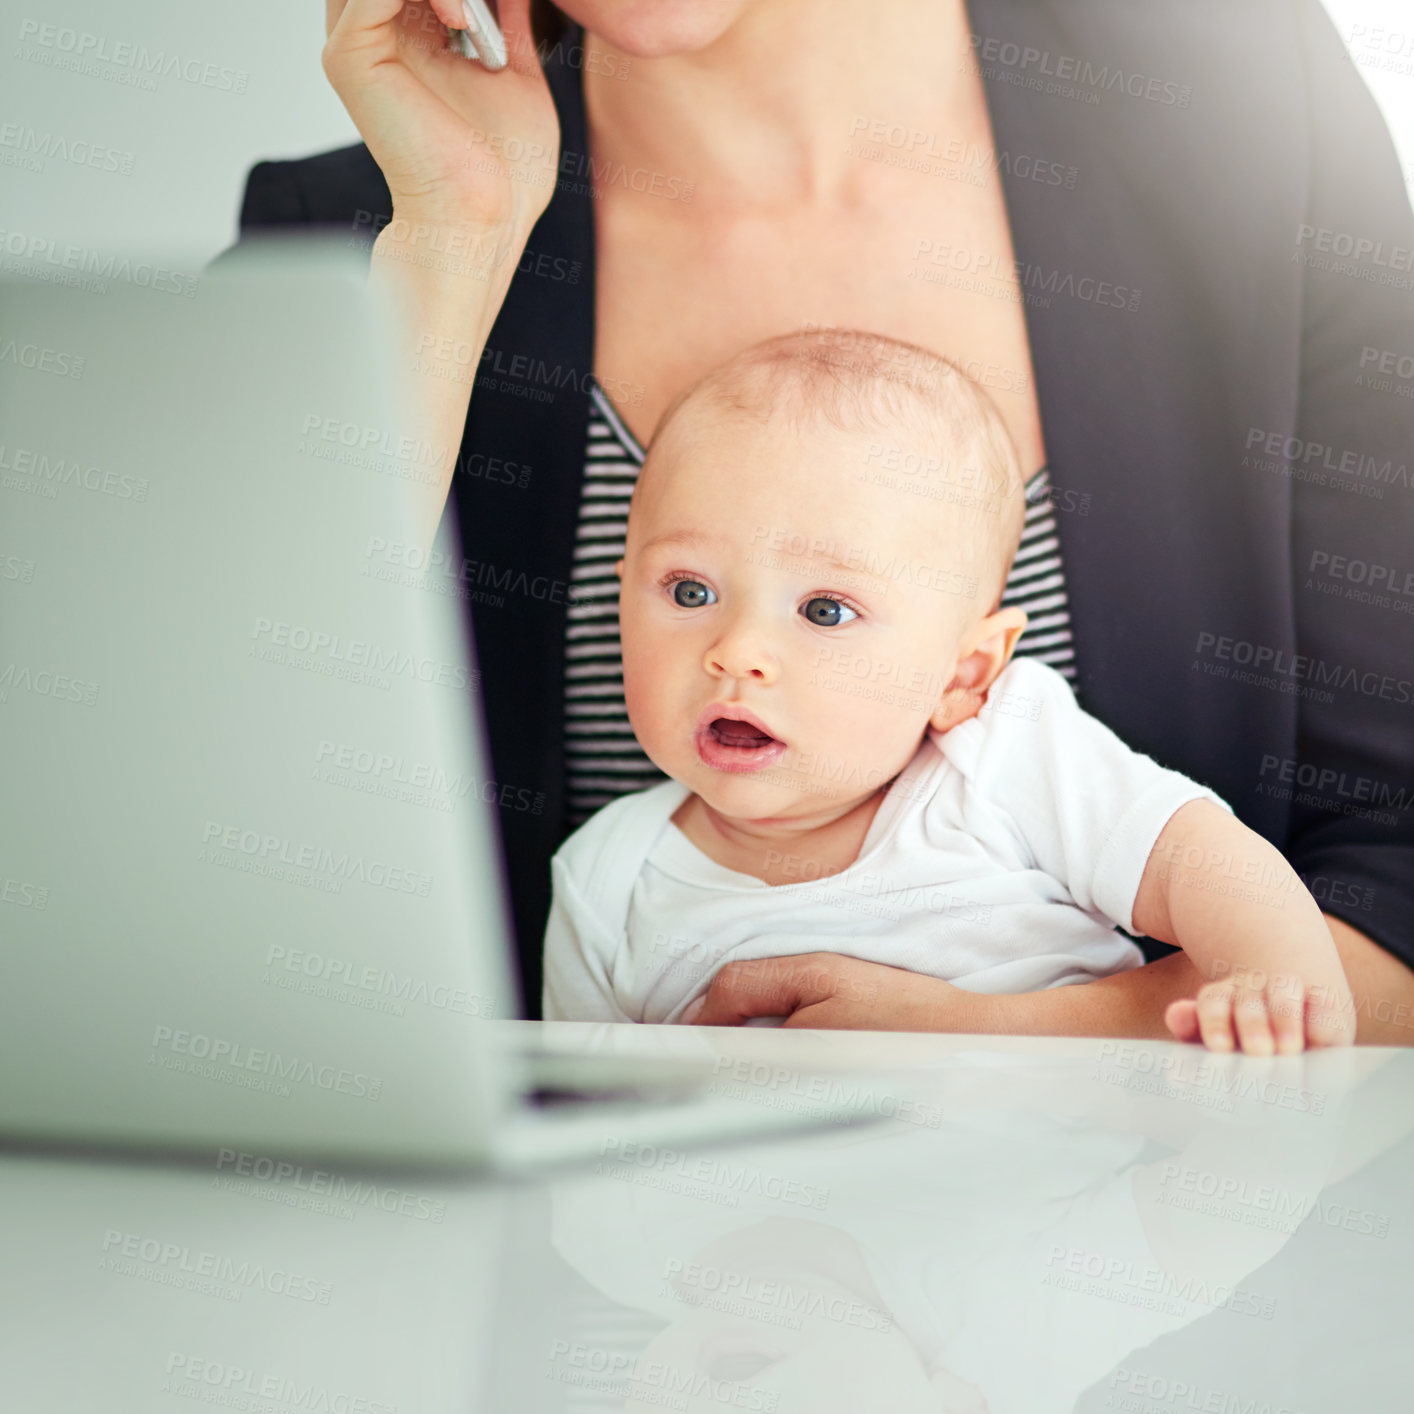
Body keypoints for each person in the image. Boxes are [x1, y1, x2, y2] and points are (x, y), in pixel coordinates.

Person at [233, 0, 1414, 1038]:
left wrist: (1004, 1037)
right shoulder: (373, 236)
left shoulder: (1236, 96)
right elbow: (209, 870)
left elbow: (1394, 875)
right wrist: (452, 241)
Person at [540, 330, 1354, 1052]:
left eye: (826, 610)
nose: (738, 652)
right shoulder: (607, 875)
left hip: (1061, 1204)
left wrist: (1270, 977)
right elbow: (574, 1116)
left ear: (965, 674)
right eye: (689, 592)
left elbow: (1197, 861)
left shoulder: (1006, 757)